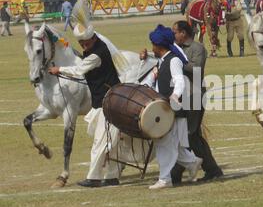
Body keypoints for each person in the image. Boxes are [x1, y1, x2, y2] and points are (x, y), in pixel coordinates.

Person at [48, 13, 122, 187]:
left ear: (93, 38)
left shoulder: (97, 54)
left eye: (85, 43)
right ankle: (112, 176)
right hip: (101, 101)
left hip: (108, 100)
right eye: (81, 44)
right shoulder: (95, 45)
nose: (83, 46)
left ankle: (94, 177)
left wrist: (59, 70)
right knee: (109, 140)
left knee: (100, 141)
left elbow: (79, 70)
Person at [140, 25, 203, 189]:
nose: (152, 47)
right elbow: (151, 83)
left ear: (159, 46)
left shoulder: (173, 60)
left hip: (172, 109)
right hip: (164, 109)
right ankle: (193, 162)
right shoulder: (161, 62)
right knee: (172, 144)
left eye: (153, 44)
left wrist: (175, 95)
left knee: (165, 144)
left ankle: (165, 179)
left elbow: (180, 80)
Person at [170, 21, 224, 183]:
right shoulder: (175, 48)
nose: (174, 35)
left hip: (194, 95)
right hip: (180, 96)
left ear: (184, 33)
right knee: (190, 135)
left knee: (189, 134)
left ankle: (177, 172)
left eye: (175, 31)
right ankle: (212, 169)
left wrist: (179, 61)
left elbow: (197, 68)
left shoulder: (197, 48)